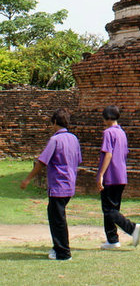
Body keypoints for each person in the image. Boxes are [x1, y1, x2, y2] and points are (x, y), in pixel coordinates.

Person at [20, 108, 81, 261]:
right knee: (58, 217)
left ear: (54, 122)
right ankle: (57, 248)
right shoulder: (73, 139)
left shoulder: (55, 140)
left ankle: (63, 253)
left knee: (57, 220)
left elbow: (42, 162)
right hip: (69, 184)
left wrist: (28, 179)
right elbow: (78, 160)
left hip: (58, 186)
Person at [96, 105, 140, 249]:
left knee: (108, 210)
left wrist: (101, 174)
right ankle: (112, 239)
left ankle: (132, 228)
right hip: (121, 175)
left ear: (106, 118)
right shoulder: (122, 133)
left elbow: (108, 154)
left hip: (111, 175)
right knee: (112, 209)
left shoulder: (108, 133)